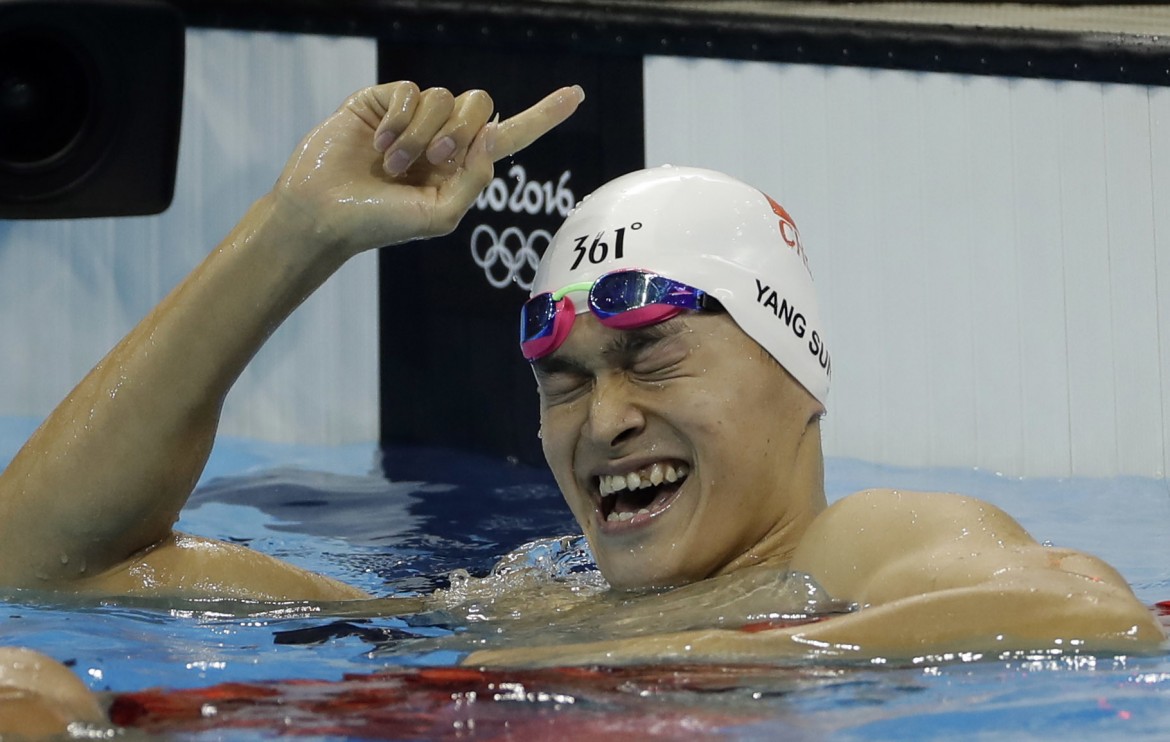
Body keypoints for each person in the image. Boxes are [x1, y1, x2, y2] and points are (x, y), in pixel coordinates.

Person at [0, 78, 1162, 728]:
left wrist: (674, 660)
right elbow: (40, 563)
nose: (601, 419)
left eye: (651, 357)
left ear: (799, 370)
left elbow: (1090, 617)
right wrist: (294, 233)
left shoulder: (851, 544)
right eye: (563, 380)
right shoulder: (520, 604)